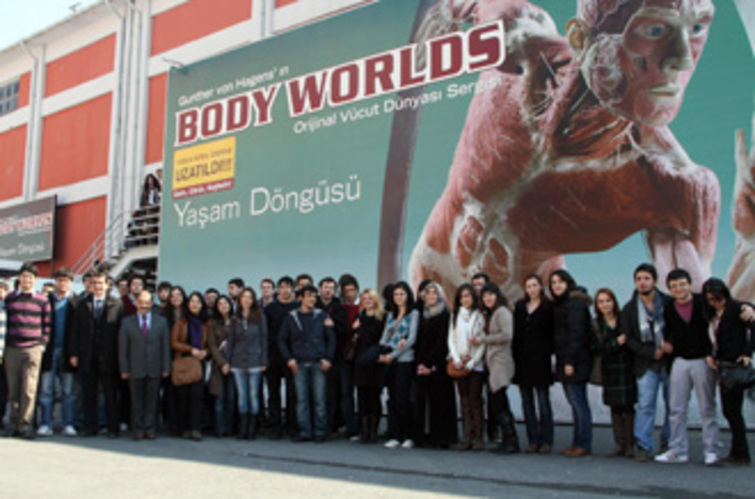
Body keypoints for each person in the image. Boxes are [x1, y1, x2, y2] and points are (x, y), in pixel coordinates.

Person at [409, 0, 721, 303]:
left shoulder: (674, 187)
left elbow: (690, 300)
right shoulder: (518, 37)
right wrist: (444, 18)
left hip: (521, 312)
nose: (682, 59)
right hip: (429, 281)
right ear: (580, 39)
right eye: (654, 30)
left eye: (696, 28)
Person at [655, 269, 719, 466]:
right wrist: (666, 343)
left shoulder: (703, 302)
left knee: (707, 407)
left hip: (703, 360)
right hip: (680, 361)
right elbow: (665, 331)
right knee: (676, 408)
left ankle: (711, 450)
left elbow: (723, 314)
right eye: (674, 286)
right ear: (669, 288)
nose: (679, 289)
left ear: (690, 284)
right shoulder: (668, 307)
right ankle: (678, 450)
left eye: (682, 284)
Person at [621, 263, 672, 461]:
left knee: (673, 405)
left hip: (669, 361)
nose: (642, 283)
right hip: (645, 363)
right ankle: (643, 444)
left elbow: (678, 328)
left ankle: (669, 443)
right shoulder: (629, 309)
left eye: (646, 278)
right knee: (645, 404)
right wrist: (650, 352)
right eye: (638, 279)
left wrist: (670, 344)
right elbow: (629, 339)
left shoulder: (668, 303)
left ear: (655, 281)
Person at [702, 278, 752, 466]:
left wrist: (747, 353)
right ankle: (738, 452)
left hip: (734, 365)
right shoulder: (712, 313)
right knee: (729, 410)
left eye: (718, 299)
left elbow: (753, 326)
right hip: (722, 365)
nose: (715, 303)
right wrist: (711, 355)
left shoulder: (736, 308)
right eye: (711, 299)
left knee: (733, 411)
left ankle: (741, 454)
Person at [70, 271, 124, 438]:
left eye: (100, 283)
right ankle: (90, 427)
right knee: (89, 393)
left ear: (107, 285)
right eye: (94, 283)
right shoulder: (82, 304)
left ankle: (112, 428)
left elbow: (121, 332)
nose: (97, 286)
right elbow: (75, 330)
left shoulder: (116, 304)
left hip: (109, 356)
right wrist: (73, 353)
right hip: (87, 355)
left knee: (110, 394)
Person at [278, 285, 335, 442]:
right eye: (309, 296)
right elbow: (281, 339)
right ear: (301, 298)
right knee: (301, 401)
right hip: (299, 363)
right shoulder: (291, 317)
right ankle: (304, 432)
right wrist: (289, 359)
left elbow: (331, 339)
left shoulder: (321, 315)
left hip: (318, 363)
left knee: (319, 401)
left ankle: (320, 432)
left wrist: (328, 358)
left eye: (314, 296)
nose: (312, 299)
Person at [3, 263, 51, 439]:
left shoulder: (42, 300)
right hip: (12, 349)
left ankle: (26, 425)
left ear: (35, 280)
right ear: (19, 278)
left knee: (29, 390)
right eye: (24, 276)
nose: (26, 280)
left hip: (33, 348)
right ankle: (13, 424)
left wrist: (42, 344)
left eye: (30, 277)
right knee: (13, 388)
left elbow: (47, 325)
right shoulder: (10, 299)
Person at [549, 270, 592, 457]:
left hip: (575, 361)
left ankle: (583, 444)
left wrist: (569, 361)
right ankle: (577, 442)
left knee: (578, 403)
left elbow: (576, 334)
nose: (556, 285)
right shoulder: (562, 303)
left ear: (568, 283)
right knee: (575, 403)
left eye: (560, 282)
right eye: (553, 283)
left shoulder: (575, 303)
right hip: (566, 359)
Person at [118, 290, 171, 440]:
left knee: (152, 401)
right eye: (141, 302)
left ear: (152, 303)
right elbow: (123, 348)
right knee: (136, 401)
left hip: (155, 367)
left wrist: (166, 367)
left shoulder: (161, 322)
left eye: (147, 303)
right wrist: (124, 369)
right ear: (136, 303)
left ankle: (150, 428)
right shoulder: (127, 322)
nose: (144, 306)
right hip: (135, 367)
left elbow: (165, 346)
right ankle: (138, 429)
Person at [592, 288, 636, 458]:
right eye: (601, 302)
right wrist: (615, 343)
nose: (605, 305)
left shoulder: (624, 319)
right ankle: (619, 443)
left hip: (626, 367)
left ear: (614, 302)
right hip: (609, 369)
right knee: (615, 408)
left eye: (608, 301)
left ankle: (630, 444)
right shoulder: (596, 324)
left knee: (629, 407)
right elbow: (596, 348)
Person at [513, 274, 554, 454]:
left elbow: (551, 335)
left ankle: (546, 440)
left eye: (534, 285)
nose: (531, 289)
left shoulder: (548, 307)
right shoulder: (520, 307)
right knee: (527, 403)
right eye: (528, 286)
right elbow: (516, 334)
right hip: (523, 362)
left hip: (541, 361)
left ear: (540, 287)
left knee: (543, 402)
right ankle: (533, 440)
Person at [476, 282, 519, 454]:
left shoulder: (502, 312)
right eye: (485, 295)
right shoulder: (490, 313)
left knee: (498, 402)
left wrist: (484, 339)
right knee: (499, 403)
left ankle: (512, 441)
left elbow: (507, 335)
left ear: (497, 295)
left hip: (501, 362)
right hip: (493, 362)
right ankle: (508, 440)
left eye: (491, 295)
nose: (488, 298)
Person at [413, 281, 457, 448]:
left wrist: (429, 364)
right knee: (423, 402)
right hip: (422, 363)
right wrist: (421, 363)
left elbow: (442, 342)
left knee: (440, 402)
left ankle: (441, 438)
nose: (431, 295)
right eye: (428, 292)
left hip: (438, 365)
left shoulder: (445, 314)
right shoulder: (422, 315)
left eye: (434, 292)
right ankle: (424, 436)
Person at [38, 268, 79, 437]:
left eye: (66, 281)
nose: (63, 284)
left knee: (68, 391)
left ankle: (67, 424)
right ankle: (45, 423)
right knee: (46, 390)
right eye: (60, 280)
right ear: (56, 282)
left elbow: (78, 330)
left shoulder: (76, 302)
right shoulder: (46, 300)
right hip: (49, 350)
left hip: (68, 352)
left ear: (71, 283)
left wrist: (75, 353)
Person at [379, 281, 419, 449]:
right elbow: (385, 337)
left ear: (408, 295)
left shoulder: (413, 313)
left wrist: (393, 354)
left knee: (403, 398)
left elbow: (411, 339)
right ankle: (394, 434)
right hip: (390, 361)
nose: (398, 297)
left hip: (405, 360)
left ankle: (408, 435)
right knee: (392, 398)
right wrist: (381, 353)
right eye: (396, 294)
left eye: (402, 294)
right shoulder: (391, 314)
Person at [447, 283, 485, 451]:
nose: (465, 299)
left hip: (475, 365)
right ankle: (467, 437)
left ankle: (479, 438)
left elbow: (482, 342)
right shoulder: (455, 315)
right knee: (464, 401)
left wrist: (472, 361)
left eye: (468, 296)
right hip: (459, 363)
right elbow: (451, 339)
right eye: (462, 296)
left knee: (475, 400)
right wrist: (456, 359)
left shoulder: (480, 316)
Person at [317, 276, 356, 436]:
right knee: (320, 394)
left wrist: (332, 324)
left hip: (337, 356)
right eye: (325, 287)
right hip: (316, 355)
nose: (328, 290)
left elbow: (345, 330)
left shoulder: (339, 308)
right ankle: (321, 425)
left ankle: (337, 425)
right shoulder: (314, 305)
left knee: (337, 393)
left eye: (331, 288)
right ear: (320, 289)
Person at [228, 288, 268, 439]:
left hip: (255, 360)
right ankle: (243, 428)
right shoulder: (235, 318)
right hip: (238, 361)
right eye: (244, 297)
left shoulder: (260, 316)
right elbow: (231, 341)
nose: (246, 300)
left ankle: (252, 429)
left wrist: (264, 360)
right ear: (239, 300)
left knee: (253, 395)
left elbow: (264, 339)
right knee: (242, 395)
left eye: (249, 297)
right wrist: (229, 360)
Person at [264, 276, 299, 439]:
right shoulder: (270, 308)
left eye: (288, 287)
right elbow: (264, 334)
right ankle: (275, 426)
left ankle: (292, 426)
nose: (285, 290)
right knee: (273, 393)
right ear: (278, 289)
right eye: (282, 287)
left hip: (292, 357)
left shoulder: (297, 307)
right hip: (273, 356)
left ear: (293, 289)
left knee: (293, 393)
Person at [171, 291, 209, 441]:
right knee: (183, 397)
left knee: (197, 397)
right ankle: (184, 428)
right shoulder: (180, 322)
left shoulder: (206, 323)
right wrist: (190, 349)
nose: (195, 304)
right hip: (183, 362)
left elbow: (210, 344)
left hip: (199, 363)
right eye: (192, 301)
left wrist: (205, 352)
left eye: (198, 301)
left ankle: (195, 428)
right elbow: (173, 342)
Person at [352, 289, 385, 444]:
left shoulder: (382, 318)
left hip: (375, 362)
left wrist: (360, 328)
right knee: (362, 396)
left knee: (374, 396)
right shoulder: (359, 317)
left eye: (370, 298)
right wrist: (355, 329)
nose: (367, 301)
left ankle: (373, 431)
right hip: (360, 362)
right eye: (364, 298)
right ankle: (364, 431)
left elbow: (376, 338)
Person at [207, 295, 235, 437]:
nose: (223, 306)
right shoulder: (212, 323)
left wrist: (231, 363)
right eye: (220, 304)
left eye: (226, 303)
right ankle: (219, 429)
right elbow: (212, 345)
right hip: (218, 365)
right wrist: (223, 363)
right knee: (219, 398)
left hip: (235, 364)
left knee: (231, 398)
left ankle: (230, 429)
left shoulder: (236, 322)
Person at [161, 285, 186, 435]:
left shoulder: (188, 314)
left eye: (178, 295)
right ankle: (172, 425)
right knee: (170, 392)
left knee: (183, 393)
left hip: (185, 357)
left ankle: (183, 424)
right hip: (168, 357)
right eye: (173, 296)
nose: (176, 298)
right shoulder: (164, 315)